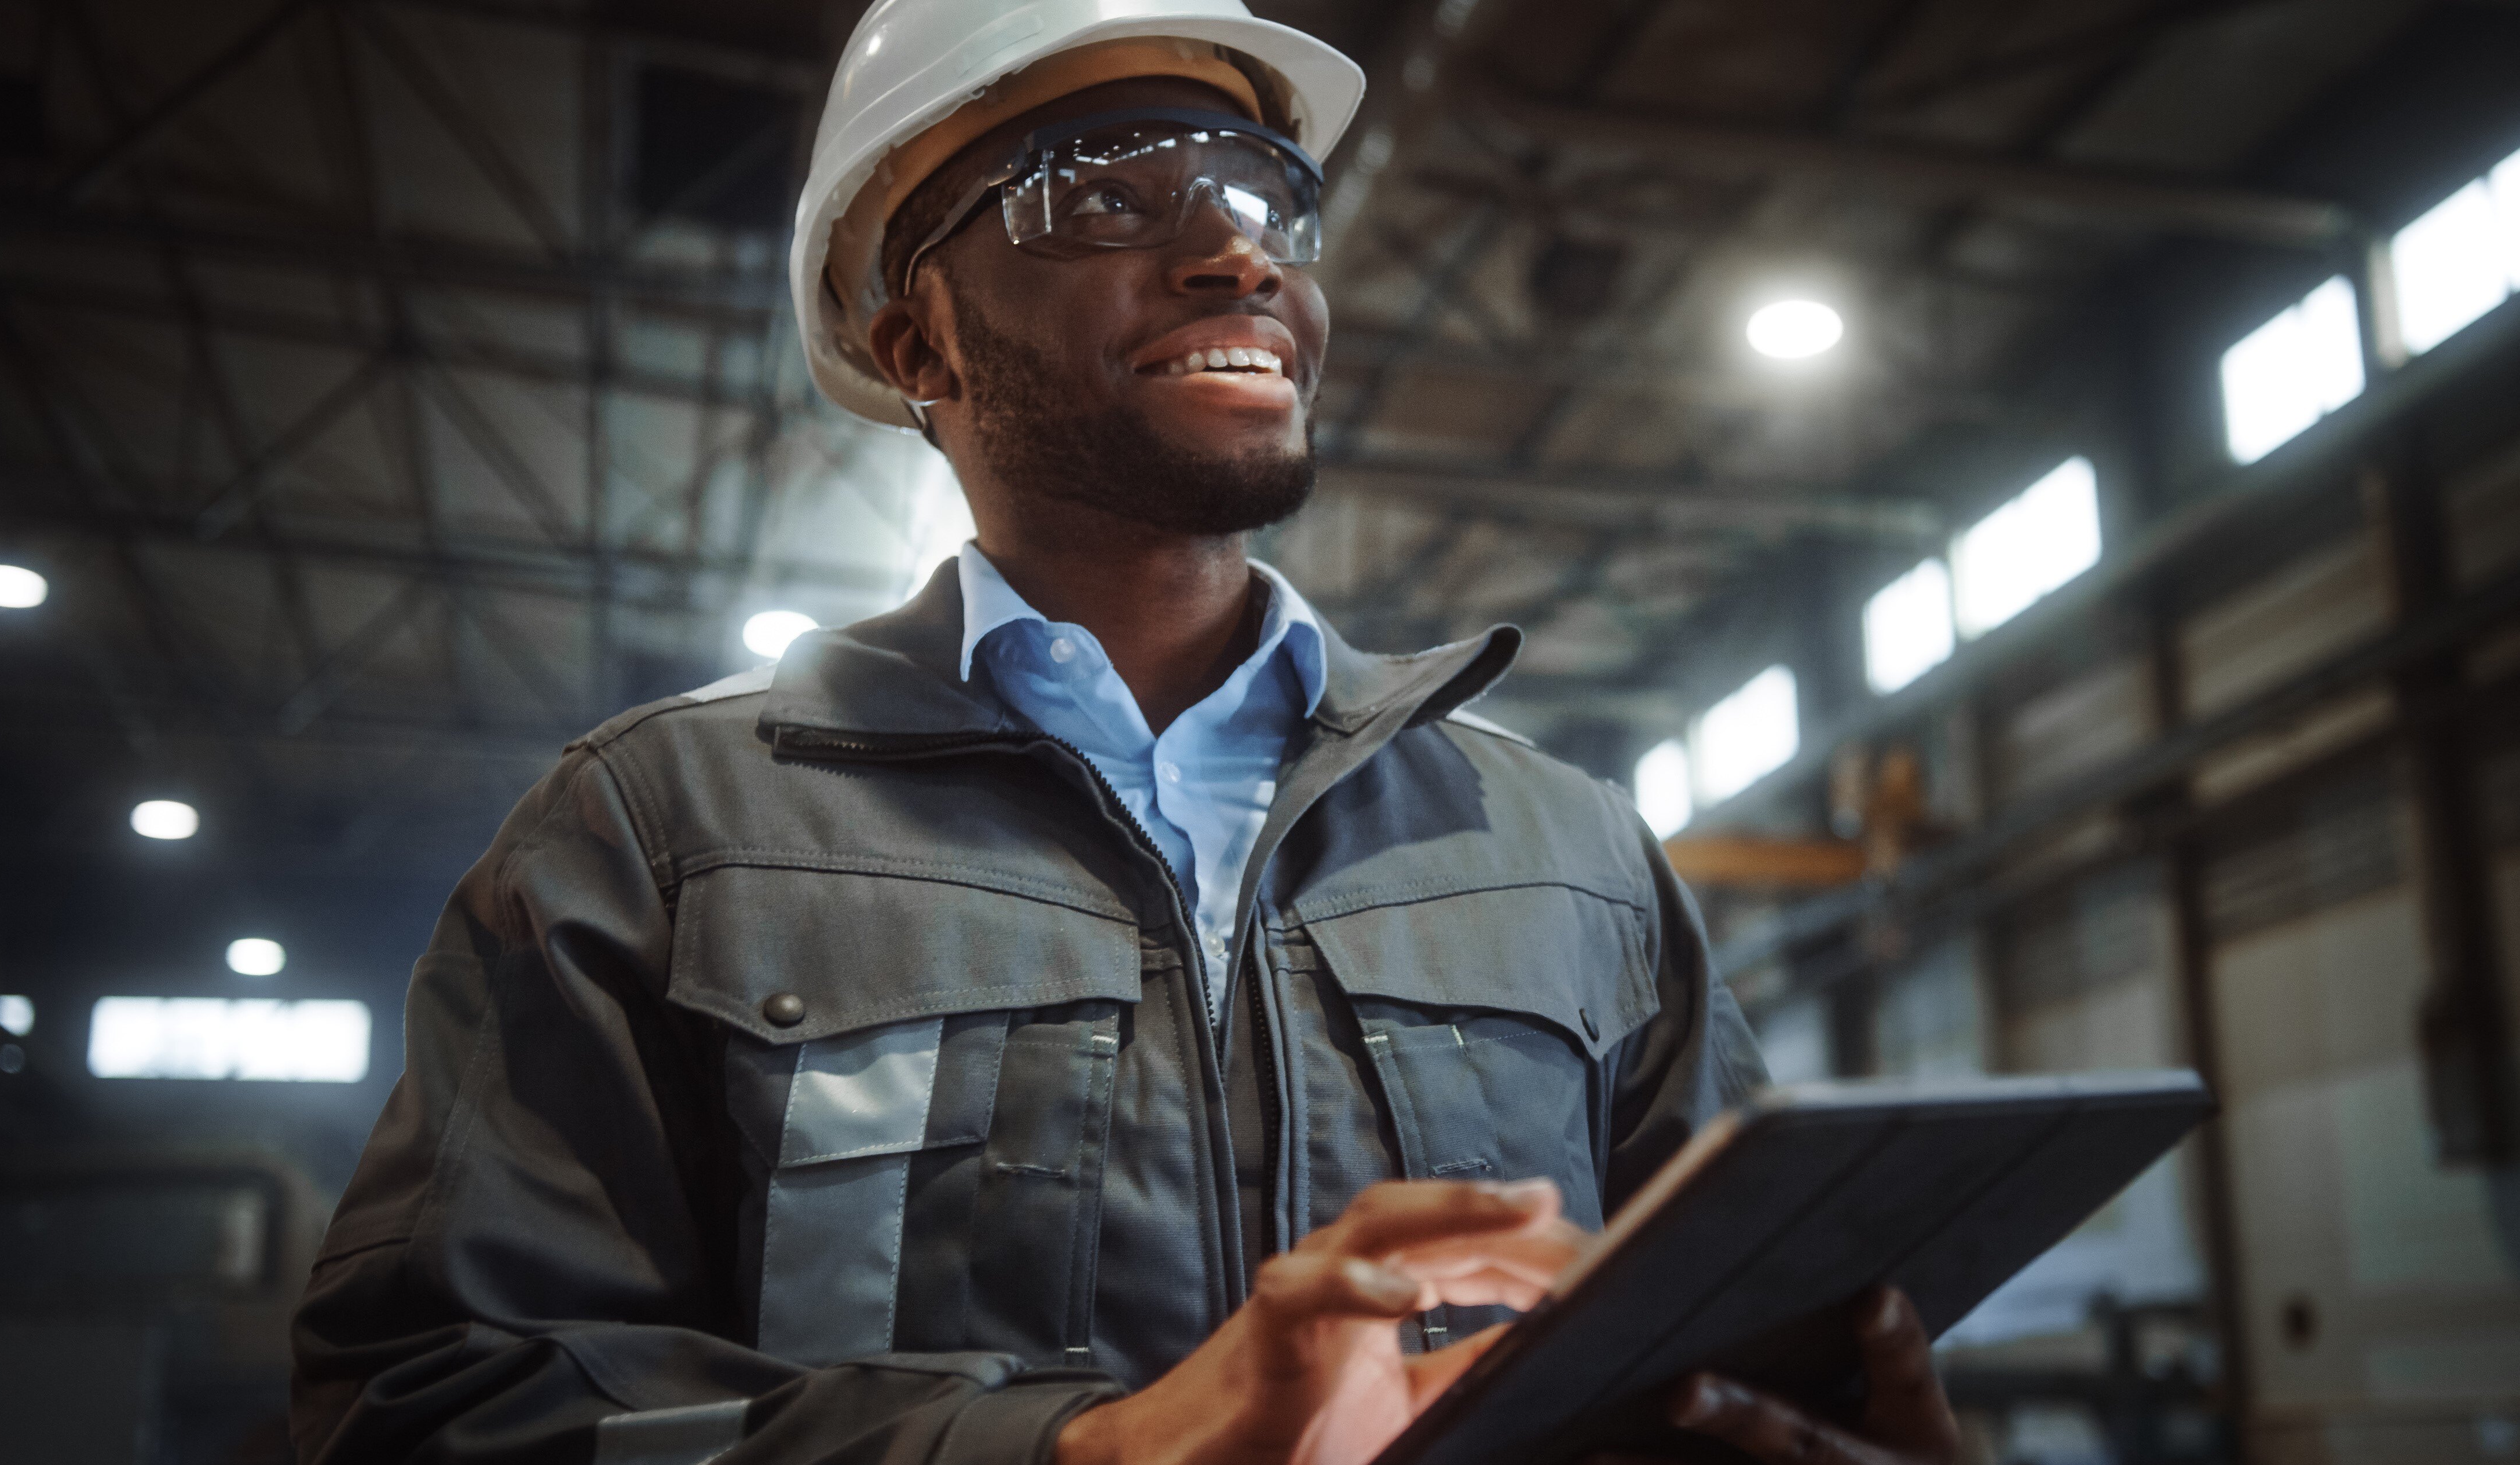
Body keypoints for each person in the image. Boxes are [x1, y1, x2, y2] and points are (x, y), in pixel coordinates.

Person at [289, 3, 1963, 1463]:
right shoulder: (665, 834)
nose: (1238, 252)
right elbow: (439, 1400)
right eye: (1103, 190)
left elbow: (1740, 1316)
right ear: (917, 339)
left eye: (1264, 198)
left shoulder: (1567, 850)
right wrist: (1083, 1455)